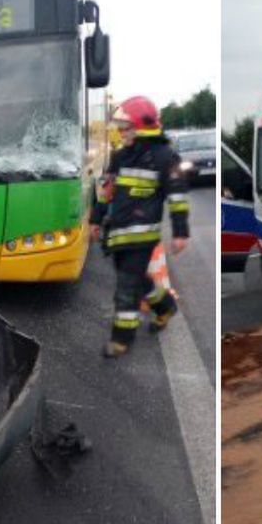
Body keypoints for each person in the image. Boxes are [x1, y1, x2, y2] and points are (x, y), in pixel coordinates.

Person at [90, 96, 189, 358]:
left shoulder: (165, 156)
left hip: (143, 235)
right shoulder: (120, 156)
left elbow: (177, 195)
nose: (121, 133)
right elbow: (106, 191)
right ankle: (165, 306)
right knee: (136, 279)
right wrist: (95, 220)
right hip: (119, 233)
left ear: (142, 127)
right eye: (120, 128)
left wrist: (180, 232)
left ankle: (121, 339)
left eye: (125, 128)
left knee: (126, 285)